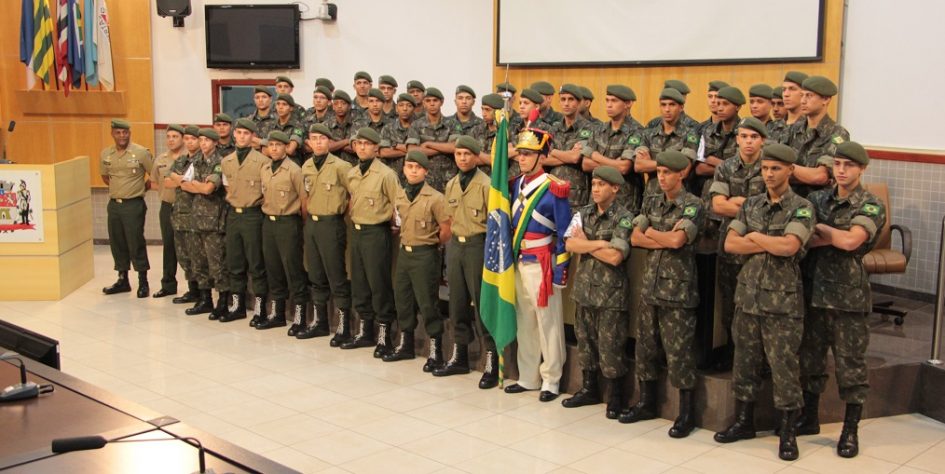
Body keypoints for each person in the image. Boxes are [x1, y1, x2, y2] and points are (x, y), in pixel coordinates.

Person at [714, 143, 815, 462]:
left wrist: (754, 237)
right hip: (748, 295)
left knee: (784, 365)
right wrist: (766, 240)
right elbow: (730, 243)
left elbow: (789, 246)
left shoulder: (802, 207)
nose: (768, 174)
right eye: (765, 168)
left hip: (781, 301)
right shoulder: (751, 204)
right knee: (744, 361)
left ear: (789, 171)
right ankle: (744, 421)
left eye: (775, 169)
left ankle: (787, 431)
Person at [798, 141, 885, 458]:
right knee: (810, 359)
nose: (842, 170)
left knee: (851, 366)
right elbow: (802, 237)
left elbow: (851, 242)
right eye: (837, 164)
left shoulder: (871, 204)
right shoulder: (817, 198)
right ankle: (808, 418)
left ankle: (850, 430)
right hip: (812, 290)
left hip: (848, 296)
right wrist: (832, 234)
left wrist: (823, 229)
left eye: (849, 165)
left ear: (862, 168)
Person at [623, 151, 704, 438]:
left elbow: (678, 240)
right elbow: (634, 238)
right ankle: (646, 402)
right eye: (659, 171)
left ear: (682, 174)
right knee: (645, 346)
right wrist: (664, 237)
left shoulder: (693, 205)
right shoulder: (652, 199)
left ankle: (686, 412)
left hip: (677, 289)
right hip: (650, 285)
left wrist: (655, 235)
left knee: (679, 351)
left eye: (668, 172)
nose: (662, 177)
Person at [502, 128, 573, 402]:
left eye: (528, 153)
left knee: (548, 323)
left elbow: (564, 233)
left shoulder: (554, 188)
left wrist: (560, 270)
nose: (521, 158)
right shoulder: (513, 184)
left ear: (542, 156)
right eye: (520, 152)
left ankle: (551, 380)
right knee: (525, 322)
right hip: (519, 262)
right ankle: (528, 376)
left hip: (542, 263)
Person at [561, 166, 633, 418]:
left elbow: (615, 257)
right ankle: (589, 388)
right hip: (584, 290)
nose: (595, 189)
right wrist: (600, 242)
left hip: (610, 294)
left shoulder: (624, 217)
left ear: (615, 188)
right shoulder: (583, 213)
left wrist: (586, 244)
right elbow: (569, 243)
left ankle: (616, 396)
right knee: (586, 342)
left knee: (610, 346)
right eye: (593, 184)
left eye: (601, 184)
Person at [432, 136, 498, 387]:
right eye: (458, 154)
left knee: (481, 302)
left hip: (477, 245)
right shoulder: (451, 184)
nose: (462, 158)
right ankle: (459, 355)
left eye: (467, 154)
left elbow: (494, 222)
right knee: (456, 301)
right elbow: (448, 220)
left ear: (476, 156)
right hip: (456, 247)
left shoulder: (486, 184)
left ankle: (491, 358)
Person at [709, 117, 770, 370]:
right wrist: (751, 204)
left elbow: (772, 207)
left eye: (753, 137)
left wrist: (736, 202)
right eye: (744, 136)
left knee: (760, 305)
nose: (748, 142)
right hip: (731, 244)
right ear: (737, 139)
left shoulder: (770, 167)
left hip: (759, 248)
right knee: (730, 304)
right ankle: (735, 354)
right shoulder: (725, 167)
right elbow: (718, 205)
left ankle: (761, 359)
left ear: (762, 141)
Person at [383, 151, 451, 371]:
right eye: (409, 166)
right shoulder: (401, 195)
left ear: (425, 172)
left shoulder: (435, 198)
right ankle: (406, 344)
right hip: (405, 252)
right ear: (403, 169)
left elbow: (446, 230)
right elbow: (399, 221)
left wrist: (432, 246)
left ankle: (435, 350)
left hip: (426, 254)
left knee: (427, 302)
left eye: (417, 167)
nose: (413, 171)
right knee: (402, 298)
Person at [340, 128, 401, 357]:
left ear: (376, 148)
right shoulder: (352, 173)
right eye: (359, 143)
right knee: (359, 282)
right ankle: (365, 331)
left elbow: (398, 204)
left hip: (376, 232)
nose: (362, 147)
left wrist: (395, 226)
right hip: (356, 230)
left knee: (379, 283)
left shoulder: (385, 174)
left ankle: (384, 333)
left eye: (367, 144)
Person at [298, 124, 353, 343]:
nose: (318, 142)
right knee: (316, 274)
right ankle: (320, 322)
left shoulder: (341, 166)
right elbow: (306, 195)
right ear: (309, 143)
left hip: (332, 223)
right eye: (314, 139)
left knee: (336, 274)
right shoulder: (307, 166)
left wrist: (341, 215)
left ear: (329, 142)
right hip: (313, 223)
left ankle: (343, 325)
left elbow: (353, 194)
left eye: (322, 138)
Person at [255, 131, 308, 333]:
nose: (274, 148)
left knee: (293, 269)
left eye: (279, 145)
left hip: (288, 223)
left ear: (287, 147)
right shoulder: (265, 168)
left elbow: (304, 200)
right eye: (271, 145)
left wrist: (299, 224)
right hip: (269, 222)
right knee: (273, 268)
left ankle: (300, 315)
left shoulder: (294, 170)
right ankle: (277, 314)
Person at [219, 119, 270, 325]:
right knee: (235, 262)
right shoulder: (227, 161)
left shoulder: (262, 161)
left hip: (253, 215)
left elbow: (267, 190)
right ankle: (237, 305)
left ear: (252, 137)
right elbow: (226, 187)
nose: (241, 136)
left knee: (256, 263)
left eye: (246, 133)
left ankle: (260, 308)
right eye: (238, 133)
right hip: (234, 214)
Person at [101, 119, 154, 297]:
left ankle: (143, 281)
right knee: (117, 242)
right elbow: (105, 177)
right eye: (118, 132)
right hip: (114, 205)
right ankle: (122, 279)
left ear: (129, 133)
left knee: (135, 241)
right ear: (113, 134)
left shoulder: (140, 153)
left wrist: (139, 189)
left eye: (125, 132)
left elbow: (154, 174)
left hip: (134, 204)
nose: (122, 136)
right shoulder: (106, 154)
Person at [181, 128, 229, 319]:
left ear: (215, 142)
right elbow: (183, 183)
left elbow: (210, 189)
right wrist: (197, 185)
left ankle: (223, 301)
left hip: (213, 219)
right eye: (200, 140)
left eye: (207, 140)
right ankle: (204, 299)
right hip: (196, 218)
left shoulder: (219, 162)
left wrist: (197, 186)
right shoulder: (195, 160)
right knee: (198, 261)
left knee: (216, 263)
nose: (203, 144)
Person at [581, 85, 644, 213]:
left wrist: (596, 156)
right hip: (597, 202)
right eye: (607, 100)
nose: (609, 105)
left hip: (624, 202)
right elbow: (585, 164)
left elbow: (624, 167)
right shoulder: (599, 129)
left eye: (614, 101)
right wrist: (614, 163)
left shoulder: (637, 131)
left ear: (628, 104)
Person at [784, 75, 850, 197]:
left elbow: (820, 176)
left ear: (825, 99)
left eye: (809, 96)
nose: (803, 101)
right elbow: (774, 172)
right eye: (802, 95)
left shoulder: (837, 134)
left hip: (820, 204)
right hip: (789, 201)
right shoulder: (793, 129)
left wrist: (784, 168)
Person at [634, 88, 698, 201]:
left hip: (678, 200)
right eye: (663, 105)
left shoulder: (690, 135)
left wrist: (650, 164)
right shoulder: (648, 134)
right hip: (651, 199)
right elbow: (638, 166)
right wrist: (673, 164)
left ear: (681, 107)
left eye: (672, 105)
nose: (667, 109)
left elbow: (684, 171)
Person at [167, 126, 201, 305]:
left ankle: (203, 294)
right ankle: (192, 289)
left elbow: (199, 186)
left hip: (197, 214)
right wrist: (182, 181)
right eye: (186, 139)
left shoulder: (203, 160)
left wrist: (178, 180)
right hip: (180, 212)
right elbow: (166, 181)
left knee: (198, 256)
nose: (189, 142)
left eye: (193, 139)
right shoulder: (181, 160)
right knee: (184, 255)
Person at [150, 124, 185, 298]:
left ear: (183, 139)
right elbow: (154, 183)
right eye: (169, 136)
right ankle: (168, 284)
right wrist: (166, 193)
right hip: (167, 206)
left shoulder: (190, 157)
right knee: (169, 246)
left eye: (175, 136)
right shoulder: (161, 159)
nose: (171, 140)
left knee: (188, 248)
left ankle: (196, 287)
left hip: (185, 209)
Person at [547, 83, 593, 209]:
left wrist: (554, 151)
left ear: (578, 103)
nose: (566, 103)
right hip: (551, 191)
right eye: (563, 99)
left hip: (576, 196)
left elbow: (575, 158)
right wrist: (567, 155)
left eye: (571, 99)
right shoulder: (554, 128)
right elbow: (543, 158)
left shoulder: (589, 128)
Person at [406, 87, 461, 192]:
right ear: (423, 103)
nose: (432, 104)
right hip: (424, 182)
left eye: (435, 100)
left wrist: (428, 144)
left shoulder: (453, 123)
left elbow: (456, 146)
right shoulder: (416, 125)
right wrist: (444, 147)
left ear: (442, 102)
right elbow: (412, 150)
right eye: (428, 101)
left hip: (449, 181)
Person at [379, 93, 417, 184]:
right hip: (392, 179)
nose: (404, 109)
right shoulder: (388, 128)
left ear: (414, 109)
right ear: (396, 108)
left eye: (409, 106)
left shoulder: (420, 128)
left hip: (415, 178)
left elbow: (423, 151)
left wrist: (396, 146)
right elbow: (384, 152)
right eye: (401, 105)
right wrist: (411, 150)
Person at [271, 94, 306, 166]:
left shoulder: (297, 125)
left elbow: (290, 150)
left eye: (284, 104)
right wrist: (284, 146)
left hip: (291, 165)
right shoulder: (272, 125)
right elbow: (264, 150)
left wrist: (272, 148)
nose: (280, 107)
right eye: (278, 104)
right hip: (273, 164)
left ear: (291, 108)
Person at [326, 90, 358, 165]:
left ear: (349, 106)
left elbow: (356, 148)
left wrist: (335, 144)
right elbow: (326, 147)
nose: (339, 106)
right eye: (336, 104)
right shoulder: (326, 125)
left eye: (343, 103)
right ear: (333, 107)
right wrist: (346, 141)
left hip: (353, 166)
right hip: (332, 167)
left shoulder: (357, 123)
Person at [246, 86, 276, 152]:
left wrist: (261, 142)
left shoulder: (278, 120)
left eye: (264, 97)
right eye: (257, 97)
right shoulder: (248, 121)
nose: (260, 100)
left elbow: (282, 144)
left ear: (270, 99)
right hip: (252, 159)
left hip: (272, 159)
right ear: (254, 100)